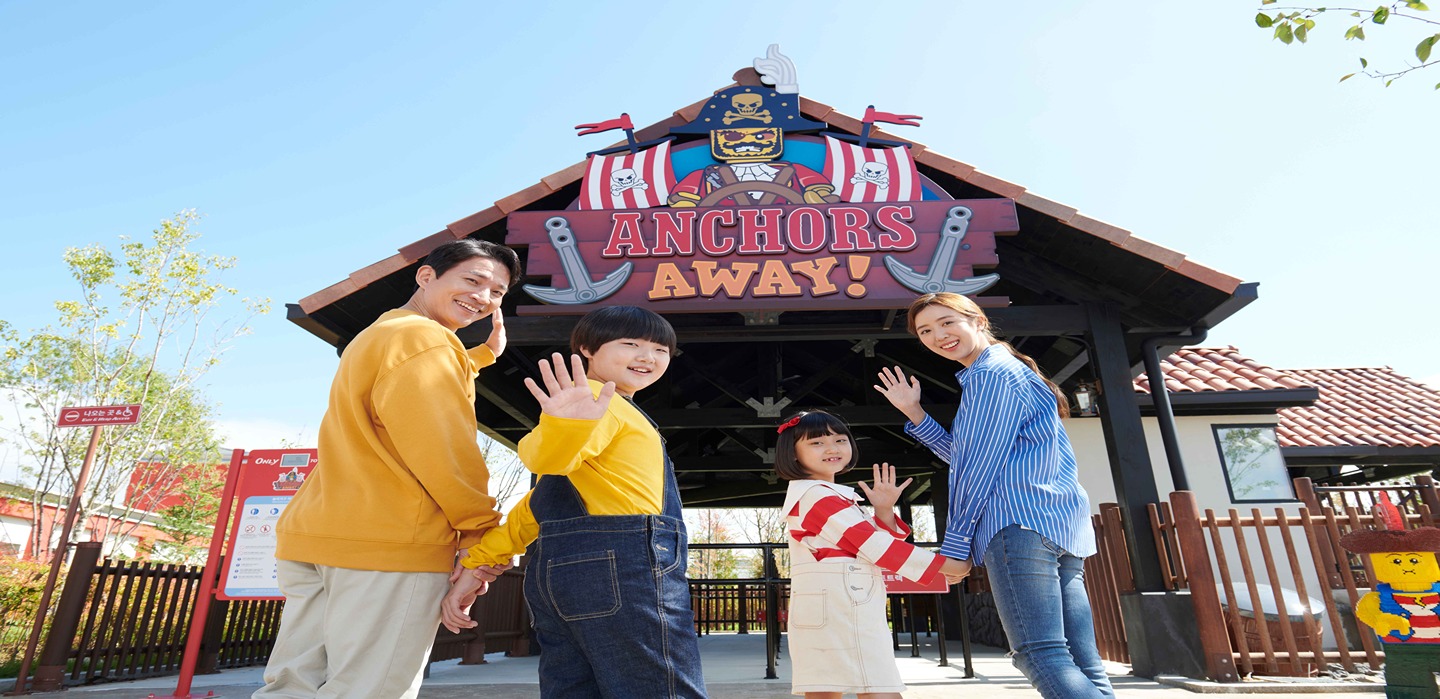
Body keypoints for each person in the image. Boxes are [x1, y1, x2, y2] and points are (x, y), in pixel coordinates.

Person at [255, 239, 521, 699]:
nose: (483, 297)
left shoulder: (383, 332)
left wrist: (477, 358)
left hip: (319, 534)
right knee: (368, 690)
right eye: (473, 281)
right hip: (389, 543)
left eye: (497, 292)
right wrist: (481, 536)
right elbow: (444, 450)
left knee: (290, 688)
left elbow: (404, 397)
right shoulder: (426, 342)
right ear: (425, 276)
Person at [441, 306, 707, 699]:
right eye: (630, 344)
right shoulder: (604, 405)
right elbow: (545, 459)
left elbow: (543, 501)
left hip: (559, 579)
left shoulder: (602, 407)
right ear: (587, 349)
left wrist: (480, 561)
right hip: (628, 573)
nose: (647, 357)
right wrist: (565, 426)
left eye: (660, 349)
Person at [873, 292, 1114, 699]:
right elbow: (971, 456)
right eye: (926, 331)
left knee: (1039, 653)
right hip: (1058, 525)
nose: (938, 335)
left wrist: (956, 545)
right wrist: (915, 414)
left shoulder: (991, 376)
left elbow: (978, 470)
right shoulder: (1007, 372)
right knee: (1081, 660)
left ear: (977, 320)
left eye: (947, 322)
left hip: (1018, 525)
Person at [775, 409, 970, 699]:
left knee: (825, 689)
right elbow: (874, 547)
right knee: (878, 687)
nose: (831, 447)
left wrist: (882, 511)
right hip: (843, 606)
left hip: (825, 604)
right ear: (792, 454)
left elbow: (867, 545)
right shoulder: (820, 496)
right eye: (816, 443)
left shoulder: (819, 494)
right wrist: (944, 565)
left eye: (840, 439)